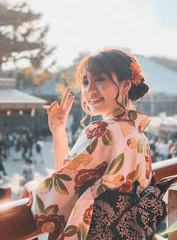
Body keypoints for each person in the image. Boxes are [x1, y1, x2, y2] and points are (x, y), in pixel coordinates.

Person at [21, 49, 167, 240]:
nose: (89, 90)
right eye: (85, 82)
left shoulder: (101, 130)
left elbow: (56, 197)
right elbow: (71, 178)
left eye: (99, 79)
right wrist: (59, 129)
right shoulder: (137, 134)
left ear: (125, 85)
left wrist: (31, 187)